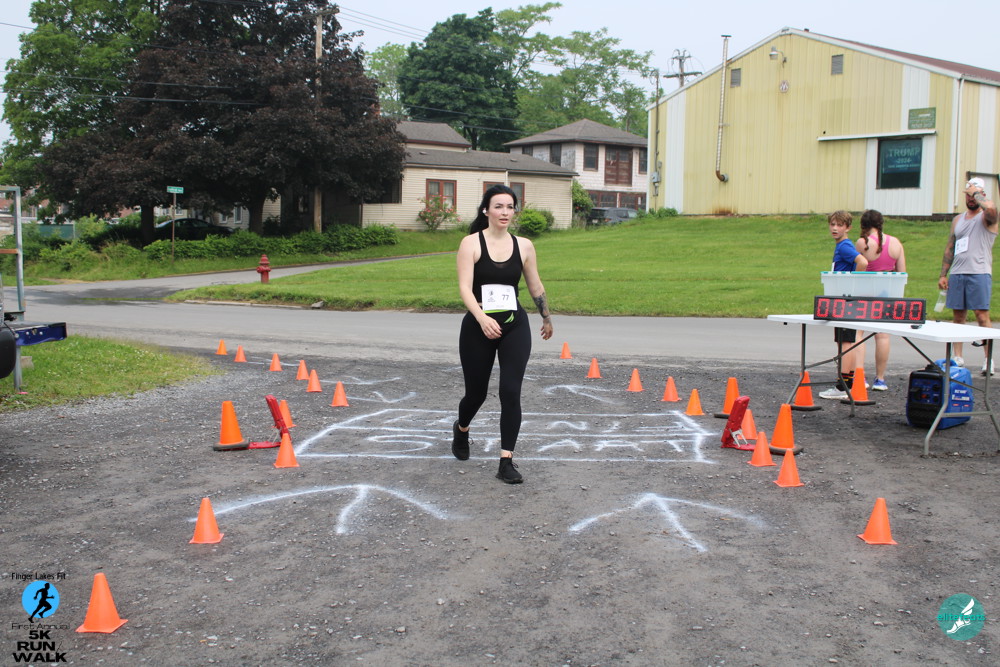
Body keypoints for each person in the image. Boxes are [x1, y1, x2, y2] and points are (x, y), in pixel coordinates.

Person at [452, 184, 553, 483]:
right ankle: (461, 429)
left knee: (510, 391)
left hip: (514, 324)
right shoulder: (471, 243)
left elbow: (535, 285)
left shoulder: (524, 246)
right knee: (476, 394)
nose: (505, 212)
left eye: (510, 206)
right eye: (498, 206)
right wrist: (481, 318)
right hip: (478, 326)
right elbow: (464, 288)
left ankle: (506, 461)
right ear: (486, 210)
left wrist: (546, 317)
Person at [939, 177, 999, 376]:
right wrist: (943, 274)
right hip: (958, 272)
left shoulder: (987, 217)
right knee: (958, 317)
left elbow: (991, 210)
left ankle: (988, 359)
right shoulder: (958, 219)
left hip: (979, 271)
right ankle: (958, 356)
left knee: (982, 315)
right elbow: (950, 246)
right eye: (968, 195)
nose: (971, 199)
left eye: (974, 195)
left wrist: (977, 193)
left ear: (981, 195)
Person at [855, 209, 906, 391]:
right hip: (886, 293)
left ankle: (860, 376)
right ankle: (880, 378)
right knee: (883, 335)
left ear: (863, 225)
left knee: (858, 334)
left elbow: (856, 268)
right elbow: (902, 273)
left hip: (865, 291)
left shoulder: (862, 243)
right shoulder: (896, 243)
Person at [820, 210, 869, 399]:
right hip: (843, 297)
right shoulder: (841, 246)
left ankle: (843, 386)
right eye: (832, 224)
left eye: (839, 225)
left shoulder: (845, 246)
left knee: (845, 342)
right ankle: (847, 383)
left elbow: (862, 262)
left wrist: (853, 283)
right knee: (845, 340)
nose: (835, 228)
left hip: (845, 298)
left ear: (848, 228)